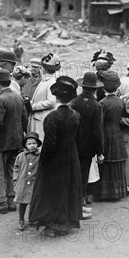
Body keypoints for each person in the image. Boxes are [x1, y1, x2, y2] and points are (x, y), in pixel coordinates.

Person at [29, 76, 82, 237]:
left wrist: (44, 161)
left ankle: (52, 224)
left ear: (56, 97)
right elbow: (78, 138)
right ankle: (65, 222)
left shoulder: (52, 117)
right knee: (67, 188)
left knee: (51, 191)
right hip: (71, 157)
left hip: (55, 159)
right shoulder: (76, 116)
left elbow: (49, 143)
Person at [0, 69, 28, 214]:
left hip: (1, 143)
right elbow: (24, 119)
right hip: (16, 142)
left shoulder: (0, 100)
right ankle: (11, 201)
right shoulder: (17, 97)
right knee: (10, 172)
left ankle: (0, 202)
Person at [70, 72, 104, 207]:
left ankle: (72, 199)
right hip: (87, 147)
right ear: (95, 89)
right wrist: (100, 152)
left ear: (82, 87)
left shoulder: (74, 103)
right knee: (84, 174)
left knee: (73, 172)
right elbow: (97, 131)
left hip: (73, 144)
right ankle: (80, 200)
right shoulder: (96, 106)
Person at [97, 71, 128, 199]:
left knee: (107, 162)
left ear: (103, 87)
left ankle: (105, 193)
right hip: (117, 132)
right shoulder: (121, 102)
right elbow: (124, 117)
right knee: (116, 160)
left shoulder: (102, 103)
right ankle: (118, 191)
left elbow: (99, 123)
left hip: (106, 133)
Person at [13, 132, 42, 231]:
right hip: (23, 183)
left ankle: (32, 218)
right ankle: (21, 219)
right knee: (23, 203)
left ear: (37, 144)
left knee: (34, 202)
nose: (32, 146)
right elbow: (16, 168)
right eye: (29, 144)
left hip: (35, 182)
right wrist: (15, 179)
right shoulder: (20, 156)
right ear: (25, 145)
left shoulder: (40, 156)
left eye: (34, 143)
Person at [28, 53, 60, 138]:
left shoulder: (52, 81)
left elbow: (52, 101)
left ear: (44, 68)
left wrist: (33, 106)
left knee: (40, 142)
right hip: (38, 118)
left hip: (42, 119)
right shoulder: (45, 80)